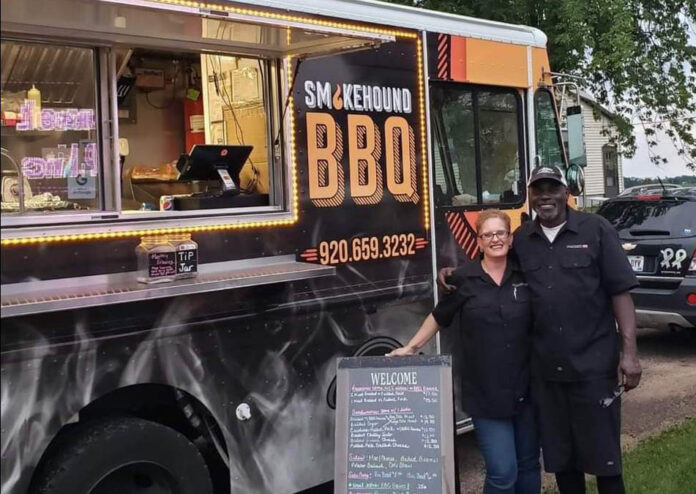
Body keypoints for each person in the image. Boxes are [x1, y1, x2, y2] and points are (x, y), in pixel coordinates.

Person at [439, 166, 641, 494]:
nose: (545, 195)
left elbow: (620, 292)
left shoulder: (596, 230)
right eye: (538, 189)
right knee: (563, 463)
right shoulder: (522, 239)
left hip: (594, 369)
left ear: (566, 192)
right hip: (546, 375)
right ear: (530, 196)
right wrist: (454, 272)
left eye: (552, 188)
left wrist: (629, 353)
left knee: (605, 462)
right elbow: (490, 265)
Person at [389, 209, 541, 494]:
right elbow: (438, 316)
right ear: (479, 241)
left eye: (501, 234)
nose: (495, 239)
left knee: (530, 465)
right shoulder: (463, 278)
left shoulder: (526, 275)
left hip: (528, 389)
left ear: (510, 238)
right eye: (488, 235)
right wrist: (411, 347)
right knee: (503, 473)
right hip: (485, 394)